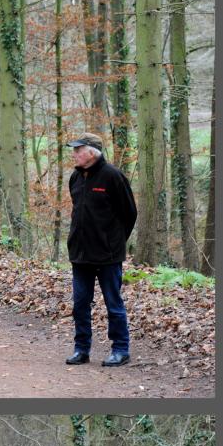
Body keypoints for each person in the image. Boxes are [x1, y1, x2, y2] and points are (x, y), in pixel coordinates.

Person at [64, 132, 137, 367]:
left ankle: (121, 349)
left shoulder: (113, 176)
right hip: (80, 255)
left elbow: (129, 214)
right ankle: (81, 349)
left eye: (78, 150)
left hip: (107, 256)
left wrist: (114, 242)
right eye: (74, 150)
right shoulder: (75, 178)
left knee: (113, 304)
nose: (74, 154)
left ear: (92, 152)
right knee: (80, 304)